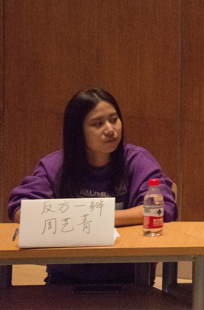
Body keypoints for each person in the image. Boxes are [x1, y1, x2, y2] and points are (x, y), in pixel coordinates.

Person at [7, 88, 177, 284]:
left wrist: (93, 219)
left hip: (130, 278)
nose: (110, 129)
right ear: (78, 131)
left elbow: (161, 209)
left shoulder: (137, 160)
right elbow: (21, 210)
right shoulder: (55, 165)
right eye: (98, 123)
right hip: (65, 280)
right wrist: (92, 220)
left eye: (114, 119)